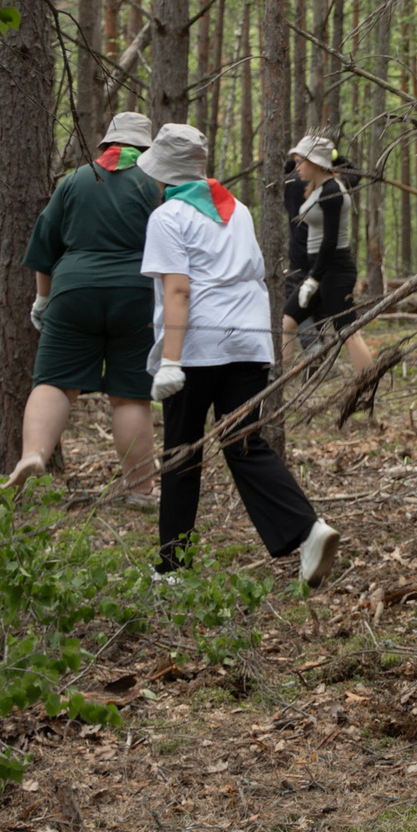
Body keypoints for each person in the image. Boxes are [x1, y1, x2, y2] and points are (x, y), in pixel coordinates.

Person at [141, 124, 341, 583]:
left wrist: (170, 360)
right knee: (245, 445)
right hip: (249, 340)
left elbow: (177, 291)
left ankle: (171, 568)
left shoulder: (168, 218)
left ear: (164, 173)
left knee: (181, 453)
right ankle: (308, 529)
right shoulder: (240, 211)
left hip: (197, 347)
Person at [10, 112, 165, 492]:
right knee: (130, 395)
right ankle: (141, 486)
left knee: (54, 382)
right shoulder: (155, 184)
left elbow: (44, 248)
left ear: (107, 144)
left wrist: (42, 300)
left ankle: (34, 453)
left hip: (73, 290)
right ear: (146, 149)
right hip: (136, 294)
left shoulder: (74, 180)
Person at [281, 133, 377, 376]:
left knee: (349, 332)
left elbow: (330, 240)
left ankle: (366, 385)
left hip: (334, 270)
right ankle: (277, 381)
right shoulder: (315, 187)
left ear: (315, 162)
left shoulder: (332, 189)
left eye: (301, 161)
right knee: (288, 321)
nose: (296, 166)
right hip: (320, 268)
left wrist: (314, 279)